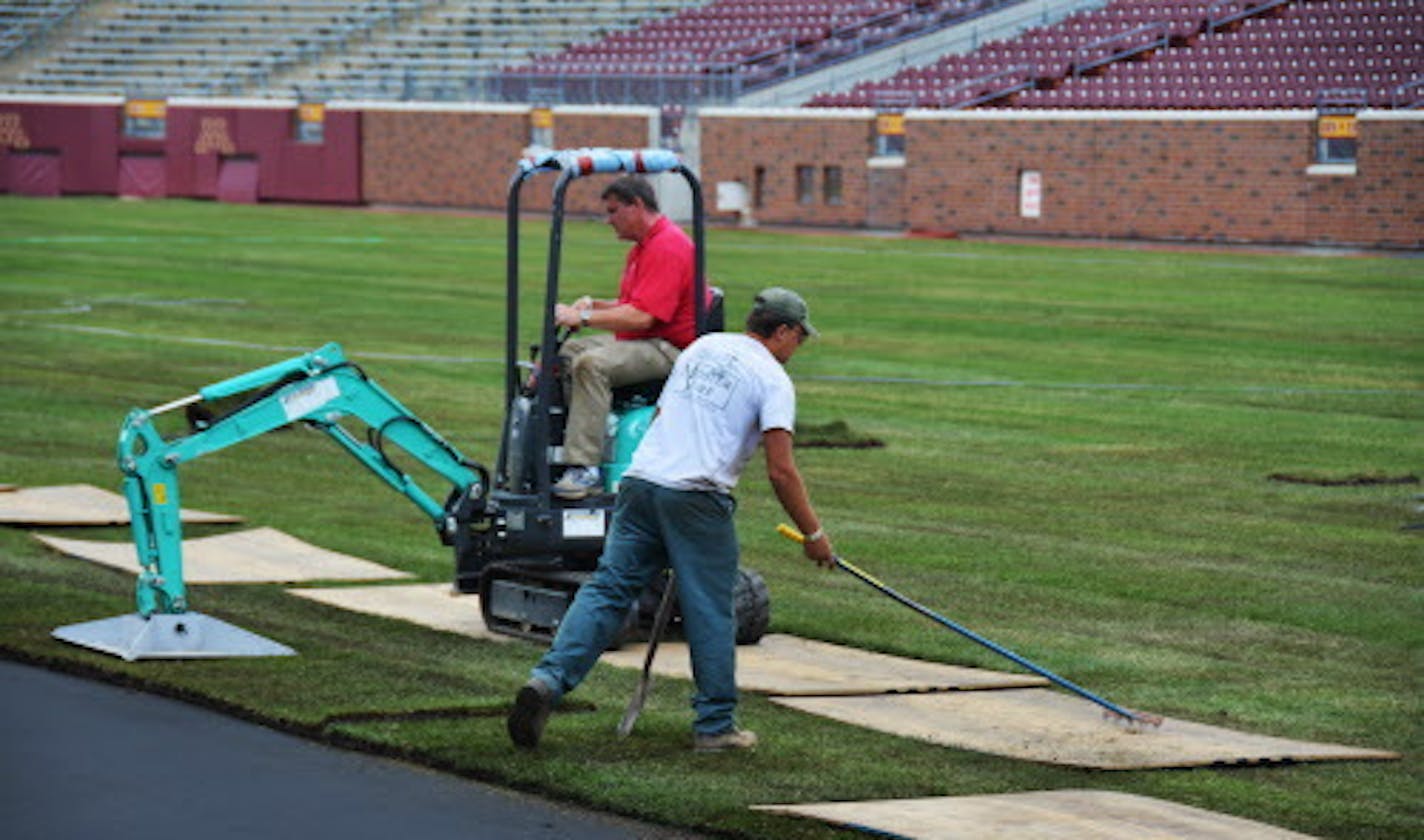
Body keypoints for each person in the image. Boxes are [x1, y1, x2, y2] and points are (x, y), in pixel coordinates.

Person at [508, 288, 836, 753]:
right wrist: (814, 535)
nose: (796, 350)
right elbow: (781, 470)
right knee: (710, 610)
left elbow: (664, 415)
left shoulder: (703, 348)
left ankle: (547, 681)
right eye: (798, 339)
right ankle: (715, 725)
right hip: (698, 497)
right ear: (782, 331)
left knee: (608, 589)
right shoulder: (773, 379)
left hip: (640, 484)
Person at [549, 175, 698, 500]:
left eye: (614, 211)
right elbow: (635, 306)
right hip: (647, 339)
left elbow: (643, 317)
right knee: (568, 351)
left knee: (591, 364)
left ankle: (584, 467)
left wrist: (584, 317)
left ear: (638, 206)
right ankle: (582, 437)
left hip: (670, 348)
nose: (609, 220)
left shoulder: (668, 247)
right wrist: (594, 305)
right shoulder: (644, 248)